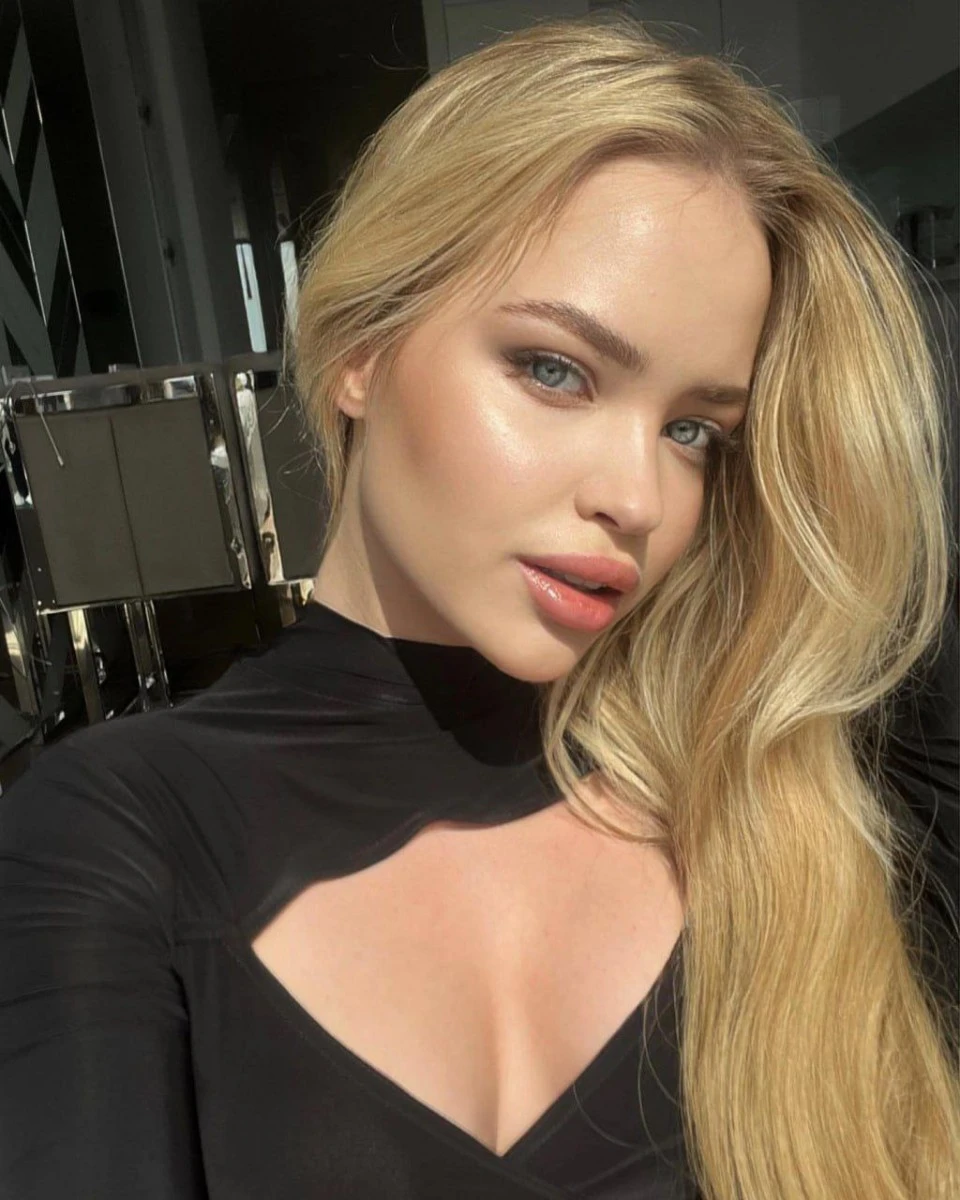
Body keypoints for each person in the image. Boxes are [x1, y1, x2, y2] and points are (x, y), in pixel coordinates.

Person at [1, 13, 957, 1199]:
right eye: (554, 370)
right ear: (361, 347)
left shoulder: (767, 818)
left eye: (695, 432)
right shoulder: (114, 831)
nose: (637, 498)